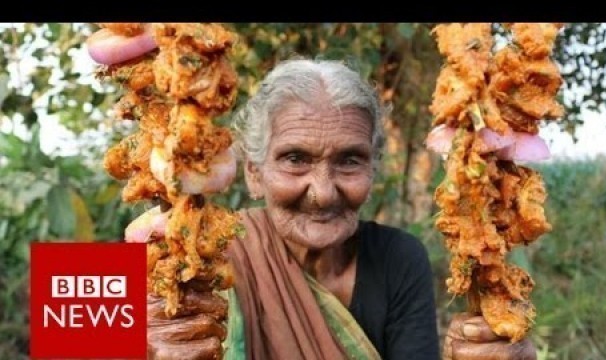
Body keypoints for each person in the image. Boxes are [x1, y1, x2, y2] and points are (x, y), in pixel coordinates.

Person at [88, 25, 537, 360]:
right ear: (253, 173)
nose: (322, 193)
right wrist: (130, 340)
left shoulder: (400, 258)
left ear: (373, 169)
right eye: (295, 159)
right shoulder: (193, 245)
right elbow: (60, 317)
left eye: (349, 160)